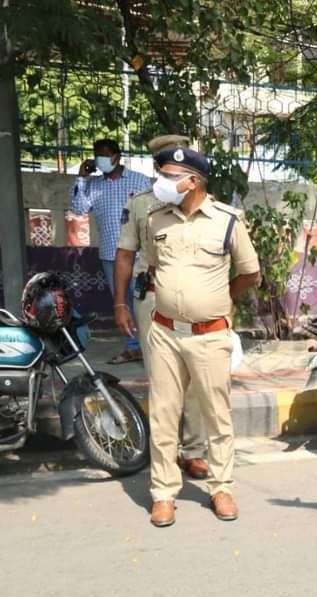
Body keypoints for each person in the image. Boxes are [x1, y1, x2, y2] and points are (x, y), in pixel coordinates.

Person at [113, 147, 260, 527]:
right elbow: (154, 266)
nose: (160, 182)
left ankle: (221, 486)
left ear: (192, 181)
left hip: (210, 336)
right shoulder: (157, 220)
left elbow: (250, 273)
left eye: (167, 175)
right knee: (163, 413)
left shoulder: (227, 220)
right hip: (163, 331)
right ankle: (163, 493)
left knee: (216, 415)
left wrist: (219, 297)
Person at [114, 134, 210, 482]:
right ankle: (166, 454)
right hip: (152, 299)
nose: (173, 173)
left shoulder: (204, 202)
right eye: (167, 167)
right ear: (157, 167)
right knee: (163, 381)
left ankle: (195, 451)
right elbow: (125, 254)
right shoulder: (140, 203)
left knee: (196, 377)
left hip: (195, 299)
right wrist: (119, 303)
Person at [69, 138, 151, 364]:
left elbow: (154, 212)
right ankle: (133, 347)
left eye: (105, 155)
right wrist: (82, 177)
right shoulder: (94, 185)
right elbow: (77, 208)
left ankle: (151, 348)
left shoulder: (140, 181)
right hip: (110, 255)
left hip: (139, 254)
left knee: (143, 302)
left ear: (117, 156)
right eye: (98, 156)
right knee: (121, 302)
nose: (101, 160)